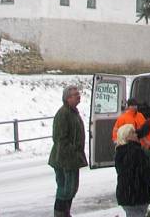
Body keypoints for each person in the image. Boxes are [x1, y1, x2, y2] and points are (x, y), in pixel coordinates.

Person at [48, 85, 88, 217]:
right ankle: (60, 214)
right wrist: (72, 151)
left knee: (70, 189)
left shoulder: (72, 111)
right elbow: (60, 139)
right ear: (67, 98)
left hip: (71, 158)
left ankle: (65, 213)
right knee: (65, 189)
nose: (78, 96)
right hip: (64, 159)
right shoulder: (63, 113)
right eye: (75, 94)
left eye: (78, 93)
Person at [114, 123, 150, 217]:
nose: (136, 135)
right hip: (138, 195)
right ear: (127, 137)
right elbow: (145, 173)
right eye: (133, 133)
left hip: (125, 194)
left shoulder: (119, 152)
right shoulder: (136, 151)